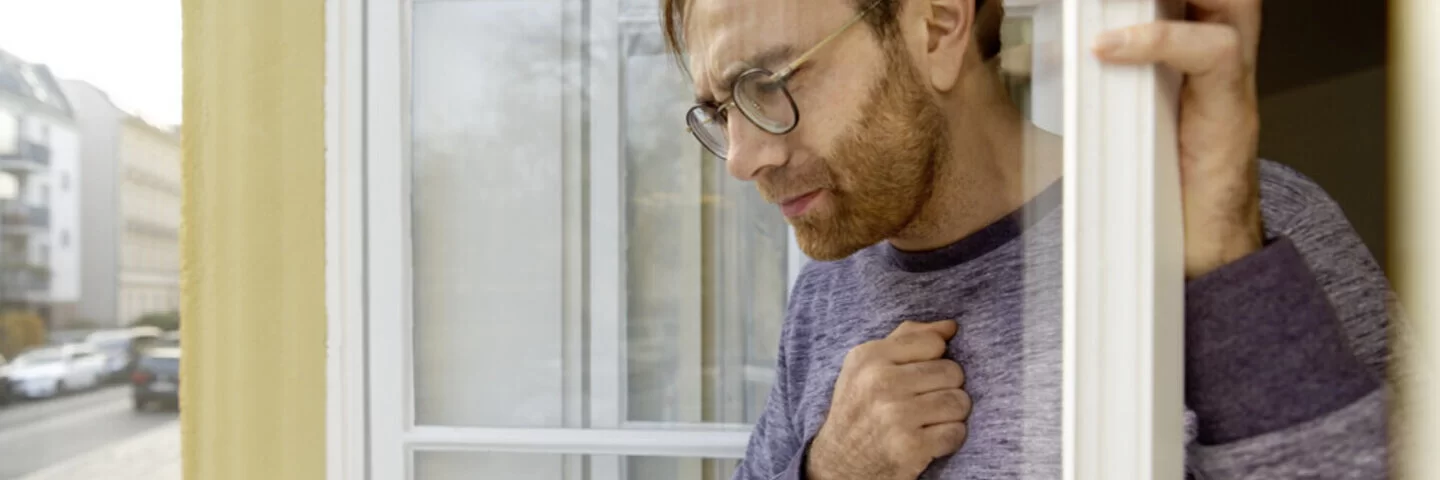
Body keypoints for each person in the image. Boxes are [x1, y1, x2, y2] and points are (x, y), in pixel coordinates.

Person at [661, 0, 1392, 478]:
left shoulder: (1246, 219)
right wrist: (828, 466)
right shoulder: (822, 296)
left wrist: (1228, 268)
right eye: (721, 111)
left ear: (939, 26)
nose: (742, 158)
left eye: (765, 83)